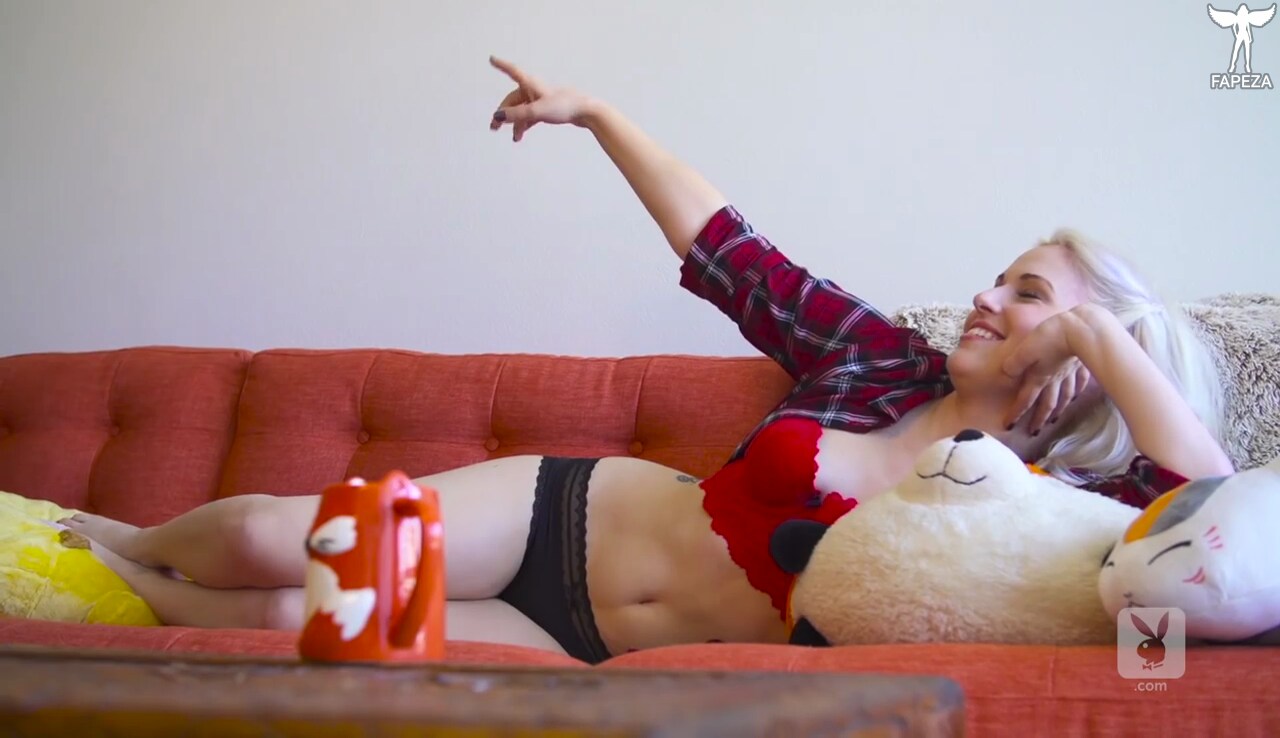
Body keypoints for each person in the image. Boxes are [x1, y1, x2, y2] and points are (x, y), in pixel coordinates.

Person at [59, 57, 1233, 663]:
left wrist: (1096, 339)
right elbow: (728, 247)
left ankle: (90, 591)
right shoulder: (882, 359)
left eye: (1027, 294)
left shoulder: (1065, 510)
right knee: (272, 544)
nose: (984, 296)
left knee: (286, 618)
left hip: (591, 643)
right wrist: (596, 115)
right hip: (564, 519)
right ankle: (105, 536)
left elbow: (1213, 513)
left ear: (1093, 348)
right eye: (1000, 276)